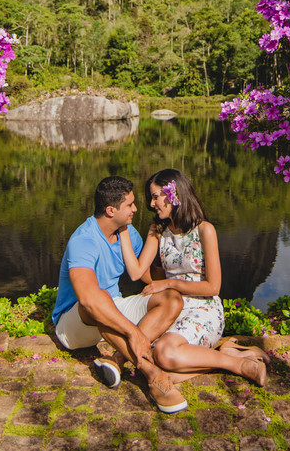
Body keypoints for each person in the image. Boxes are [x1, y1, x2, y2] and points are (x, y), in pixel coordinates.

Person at [51, 175, 189, 413]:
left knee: (171, 299)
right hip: (75, 324)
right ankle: (152, 374)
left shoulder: (127, 232)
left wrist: (180, 280)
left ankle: (117, 358)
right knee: (98, 298)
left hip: (111, 309)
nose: (136, 209)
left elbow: (143, 273)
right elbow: (87, 299)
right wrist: (132, 331)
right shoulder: (83, 240)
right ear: (111, 210)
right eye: (130, 205)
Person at [119, 168, 268, 386]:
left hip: (203, 309)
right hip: (172, 308)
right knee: (150, 358)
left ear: (174, 194)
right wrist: (123, 231)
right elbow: (140, 272)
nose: (152, 204)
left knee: (164, 354)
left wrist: (168, 282)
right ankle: (232, 354)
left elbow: (213, 287)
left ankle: (240, 365)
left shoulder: (204, 230)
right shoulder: (158, 230)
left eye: (155, 196)